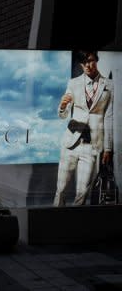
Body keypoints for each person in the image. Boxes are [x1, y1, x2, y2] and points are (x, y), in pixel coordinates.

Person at [53, 50, 113, 206]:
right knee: (61, 189)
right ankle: (54, 222)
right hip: (70, 143)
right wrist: (62, 105)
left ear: (96, 60)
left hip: (92, 146)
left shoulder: (108, 85)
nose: (87, 65)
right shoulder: (73, 83)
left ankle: (72, 224)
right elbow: (63, 114)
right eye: (83, 62)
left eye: (90, 60)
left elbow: (108, 116)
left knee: (82, 193)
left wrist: (108, 148)